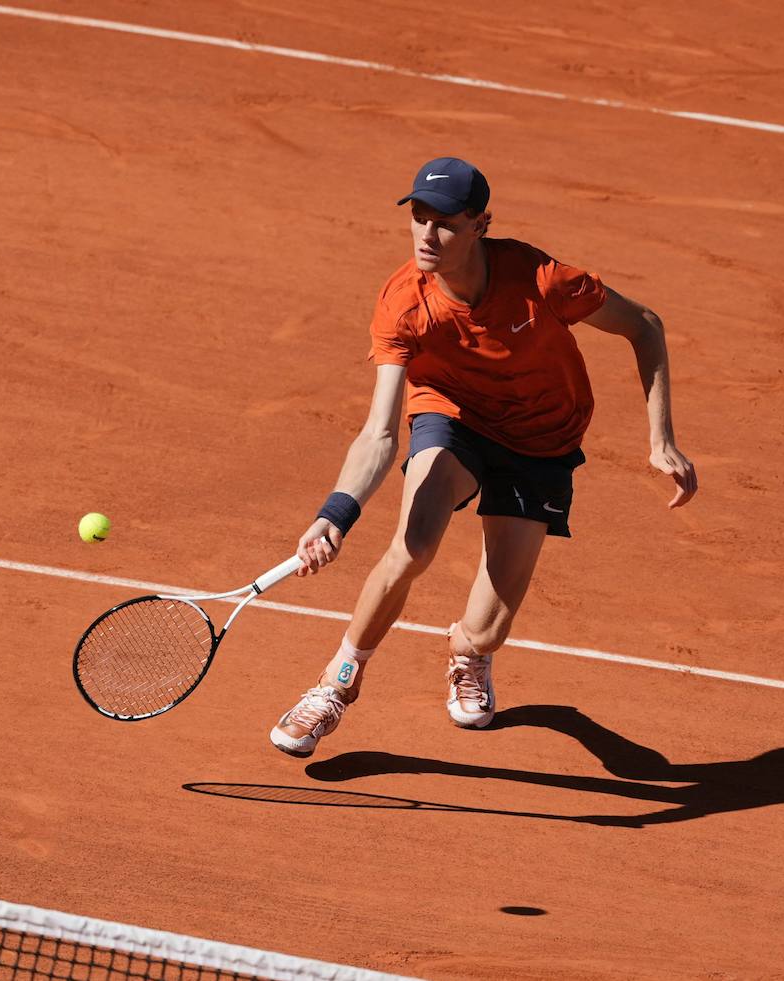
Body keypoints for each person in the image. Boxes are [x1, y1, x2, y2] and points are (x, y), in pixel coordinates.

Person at [270, 156, 697, 758]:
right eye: (418, 218)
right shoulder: (403, 302)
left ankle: (467, 652)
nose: (427, 234)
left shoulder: (541, 280)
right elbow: (379, 433)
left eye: (444, 222)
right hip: (454, 416)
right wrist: (336, 512)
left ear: (480, 225)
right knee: (414, 544)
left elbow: (645, 326)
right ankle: (334, 687)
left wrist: (661, 440)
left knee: (489, 627)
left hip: (542, 438)